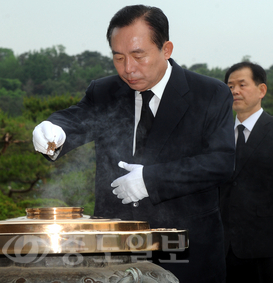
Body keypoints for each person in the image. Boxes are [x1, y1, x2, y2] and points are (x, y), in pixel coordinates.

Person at [33, 5, 235, 282]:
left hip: (186, 249)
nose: (128, 69)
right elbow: (76, 120)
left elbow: (221, 162)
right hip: (115, 251)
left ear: (166, 49)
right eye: (118, 57)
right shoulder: (104, 91)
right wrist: (53, 130)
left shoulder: (210, 93)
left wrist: (151, 180)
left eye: (139, 55)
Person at [220, 62, 273, 283]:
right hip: (222, 247)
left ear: (261, 90)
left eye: (242, 85)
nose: (235, 91)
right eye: (230, 86)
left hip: (266, 246)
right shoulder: (219, 134)